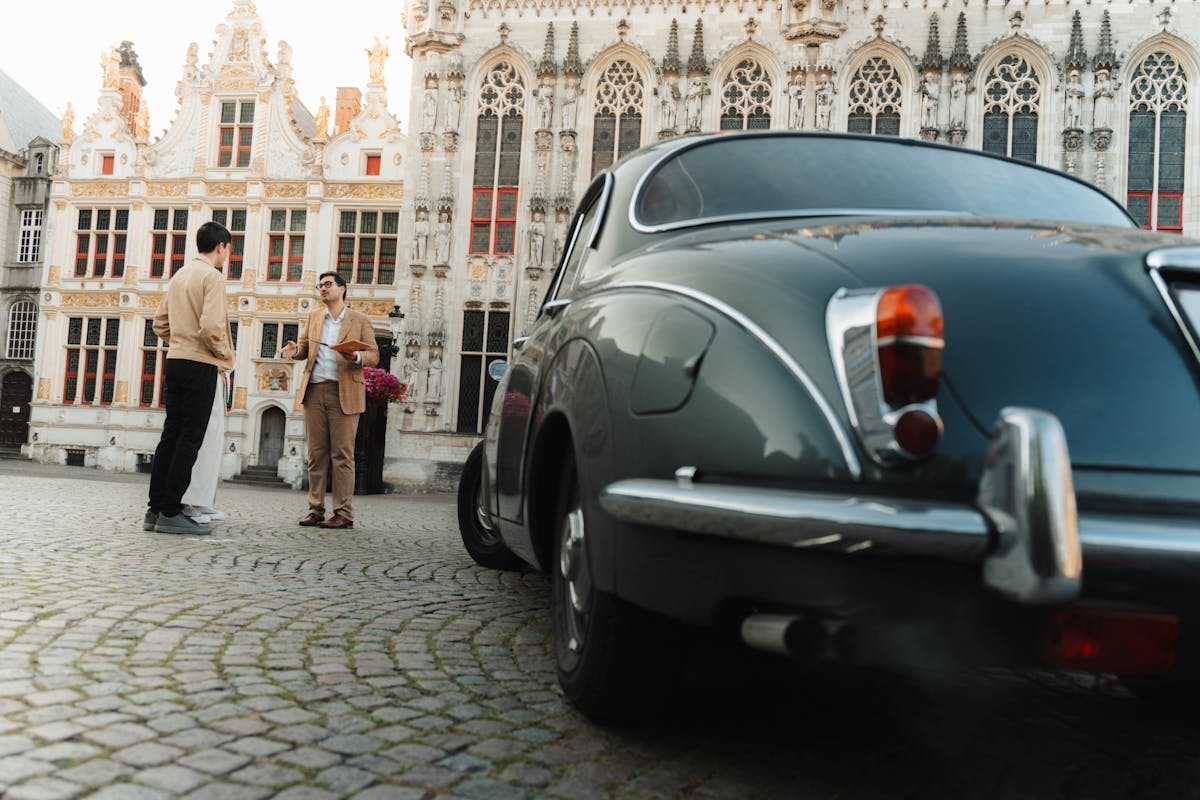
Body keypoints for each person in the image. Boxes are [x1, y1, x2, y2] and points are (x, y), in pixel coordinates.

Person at [145, 221, 235, 534]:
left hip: (176, 360)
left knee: (171, 434)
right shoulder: (213, 277)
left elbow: (159, 324)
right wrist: (222, 354)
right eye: (228, 250)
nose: (227, 256)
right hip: (200, 364)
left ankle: (155, 509)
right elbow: (212, 327)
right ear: (221, 246)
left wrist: (181, 339)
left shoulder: (180, 274)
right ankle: (171, 510)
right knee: (189, 439)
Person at [280, 272, 379, 530]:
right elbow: (304, 348)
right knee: (316, 454)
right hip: (314, 391)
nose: (322, 289)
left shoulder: (360, 320)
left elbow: (374, 355)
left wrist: (356, 356)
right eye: (320, 285)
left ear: (342, 289)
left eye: (328, 285)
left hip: (343, 392)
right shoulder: (314, 317)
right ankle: (315, 510)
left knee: (342, 455)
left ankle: (344, 513)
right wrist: (295, 351)